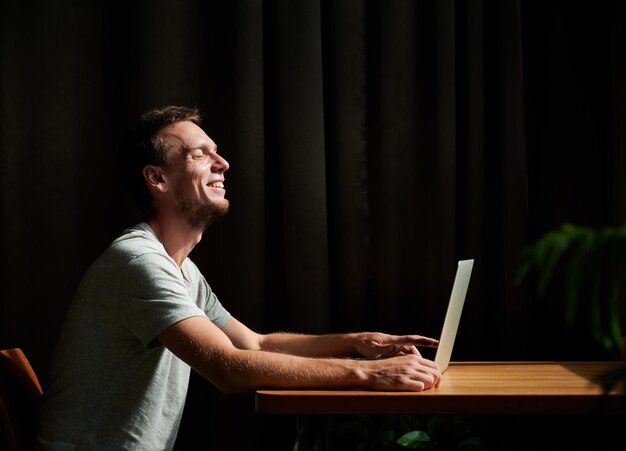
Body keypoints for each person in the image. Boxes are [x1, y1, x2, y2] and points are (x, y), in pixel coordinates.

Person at [34, 105, 441, 450]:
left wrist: (359, 344)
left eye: (218, 152)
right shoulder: (137, 263)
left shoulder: (182, 271)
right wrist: (366, 374)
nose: (223, 163)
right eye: (199, 154)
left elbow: (256, 343)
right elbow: (229, 368)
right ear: (157, 178)